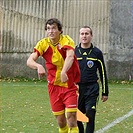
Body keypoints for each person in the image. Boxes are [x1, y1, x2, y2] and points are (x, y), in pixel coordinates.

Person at [27, 18, 80, 133]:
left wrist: (63, 71)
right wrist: (38, 66)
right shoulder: (43, 43)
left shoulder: (66, 40)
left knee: (71, 116)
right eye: (48, 28)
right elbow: (29, 60)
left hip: (69, 85)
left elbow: (70, 56)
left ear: (60, 30)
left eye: (54, 28)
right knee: (61, 122)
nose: (51, 31)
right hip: (53, 87)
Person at [75, 26, 109, 133]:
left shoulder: (97, 53)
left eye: (87, 33)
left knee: (90, 113)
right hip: (77, 89)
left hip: (92, 88)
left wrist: (105, 92)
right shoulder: (74, 51)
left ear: (91, 36)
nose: (84, 36)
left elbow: (102, 72)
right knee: (77, 116)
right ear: (79, 36)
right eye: (82, 34)